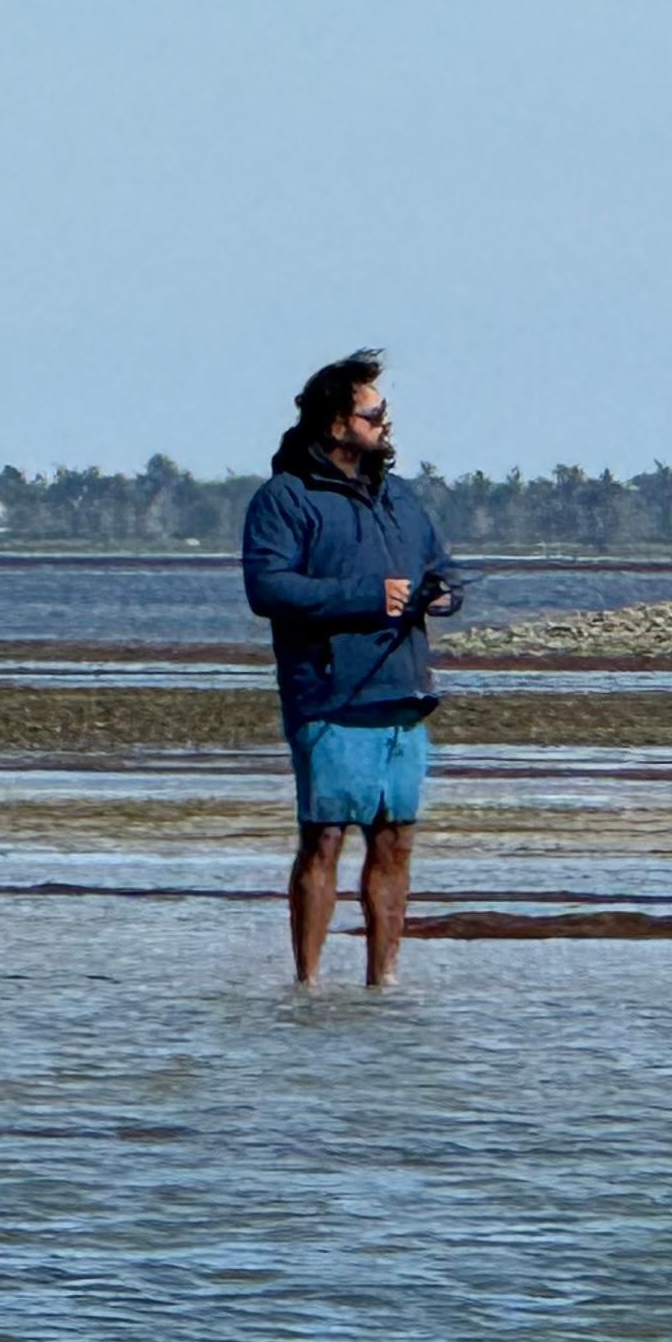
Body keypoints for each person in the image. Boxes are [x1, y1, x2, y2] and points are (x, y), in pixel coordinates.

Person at [240, 349, 457, 986]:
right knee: (325, 837)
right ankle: (307, 983)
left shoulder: (402, 498)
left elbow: (443, 568)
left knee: (395, 840)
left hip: (404, 694)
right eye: (375, 412)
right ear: (337, 424)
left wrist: (444, 594)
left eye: (384, 410)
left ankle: (383, 983)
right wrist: (369, 598)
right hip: (330, 697)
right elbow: (268, 590)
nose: (386, 422)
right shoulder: (284, 499)